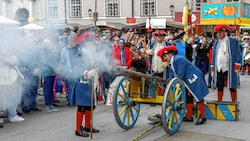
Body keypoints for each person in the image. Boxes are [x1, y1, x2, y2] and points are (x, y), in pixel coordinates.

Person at [157, 45, 209, 125]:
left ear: (170, 54)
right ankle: (189, 116)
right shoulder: (171, 63)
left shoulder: (179, 59)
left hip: (194, 77)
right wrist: (167, 82)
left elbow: (180, 74)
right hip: (186, 81)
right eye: (163, 57)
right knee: (188, 97)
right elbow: (172, 75)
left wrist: (173, 83)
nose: (164, 59)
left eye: (165, 56)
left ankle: (203, 116)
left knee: (198, 96)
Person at [70, 32, 100, 137]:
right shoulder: (80, 54)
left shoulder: (92, 54)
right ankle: (78, 129)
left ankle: (87, 126)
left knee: (90, 106)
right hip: (83, 83)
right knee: (82, 106)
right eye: (92, 42)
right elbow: (77, 69)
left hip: (91, 83)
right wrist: (87, 73)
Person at [211, 24, 242, 102]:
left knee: (232, 85)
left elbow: (238, 53)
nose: (218, 34)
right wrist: (212, 67)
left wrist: (237, 65)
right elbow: (214, 56)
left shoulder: (233, 42)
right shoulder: (216, 43)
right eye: (217, 33)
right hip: (219, 67)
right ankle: (219, 101)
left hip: (229, 67)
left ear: (224, 32)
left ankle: (233, 101)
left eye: (219, 32)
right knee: (219, 85)